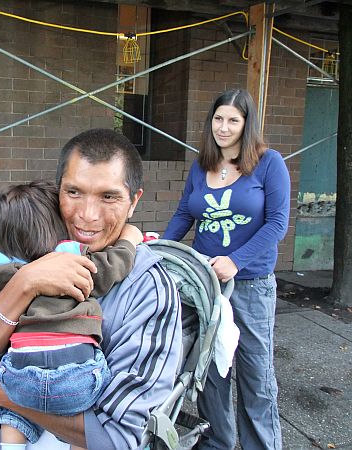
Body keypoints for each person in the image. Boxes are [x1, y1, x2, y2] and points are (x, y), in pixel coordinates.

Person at [0, 128, 182, 449]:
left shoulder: (149, 291)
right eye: (74, 192)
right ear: (57, 192)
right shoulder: (23, 253)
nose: (87, 215)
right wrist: (23, 284)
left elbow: (121, 438)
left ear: (133, 201)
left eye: (108, 197)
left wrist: (10, 395)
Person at [0, 179, 143, 449]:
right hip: (76, 377)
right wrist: (130, 239)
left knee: (10, 405)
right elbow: (111, 266)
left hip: (19, 374)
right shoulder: (69, 260)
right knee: (89, 409)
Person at [163, 89, 289, 449]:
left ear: (247, 124)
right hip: (204, 285)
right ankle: (218, 442)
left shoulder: (269, 163)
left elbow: (277, 223)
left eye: (233, 120)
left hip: (250, 285)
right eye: (218, 118)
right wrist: (159, 250)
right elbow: (185, 213)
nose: (224, 127)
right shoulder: (201, 165)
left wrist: (235, 261)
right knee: (210, 371)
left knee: (255, 374)